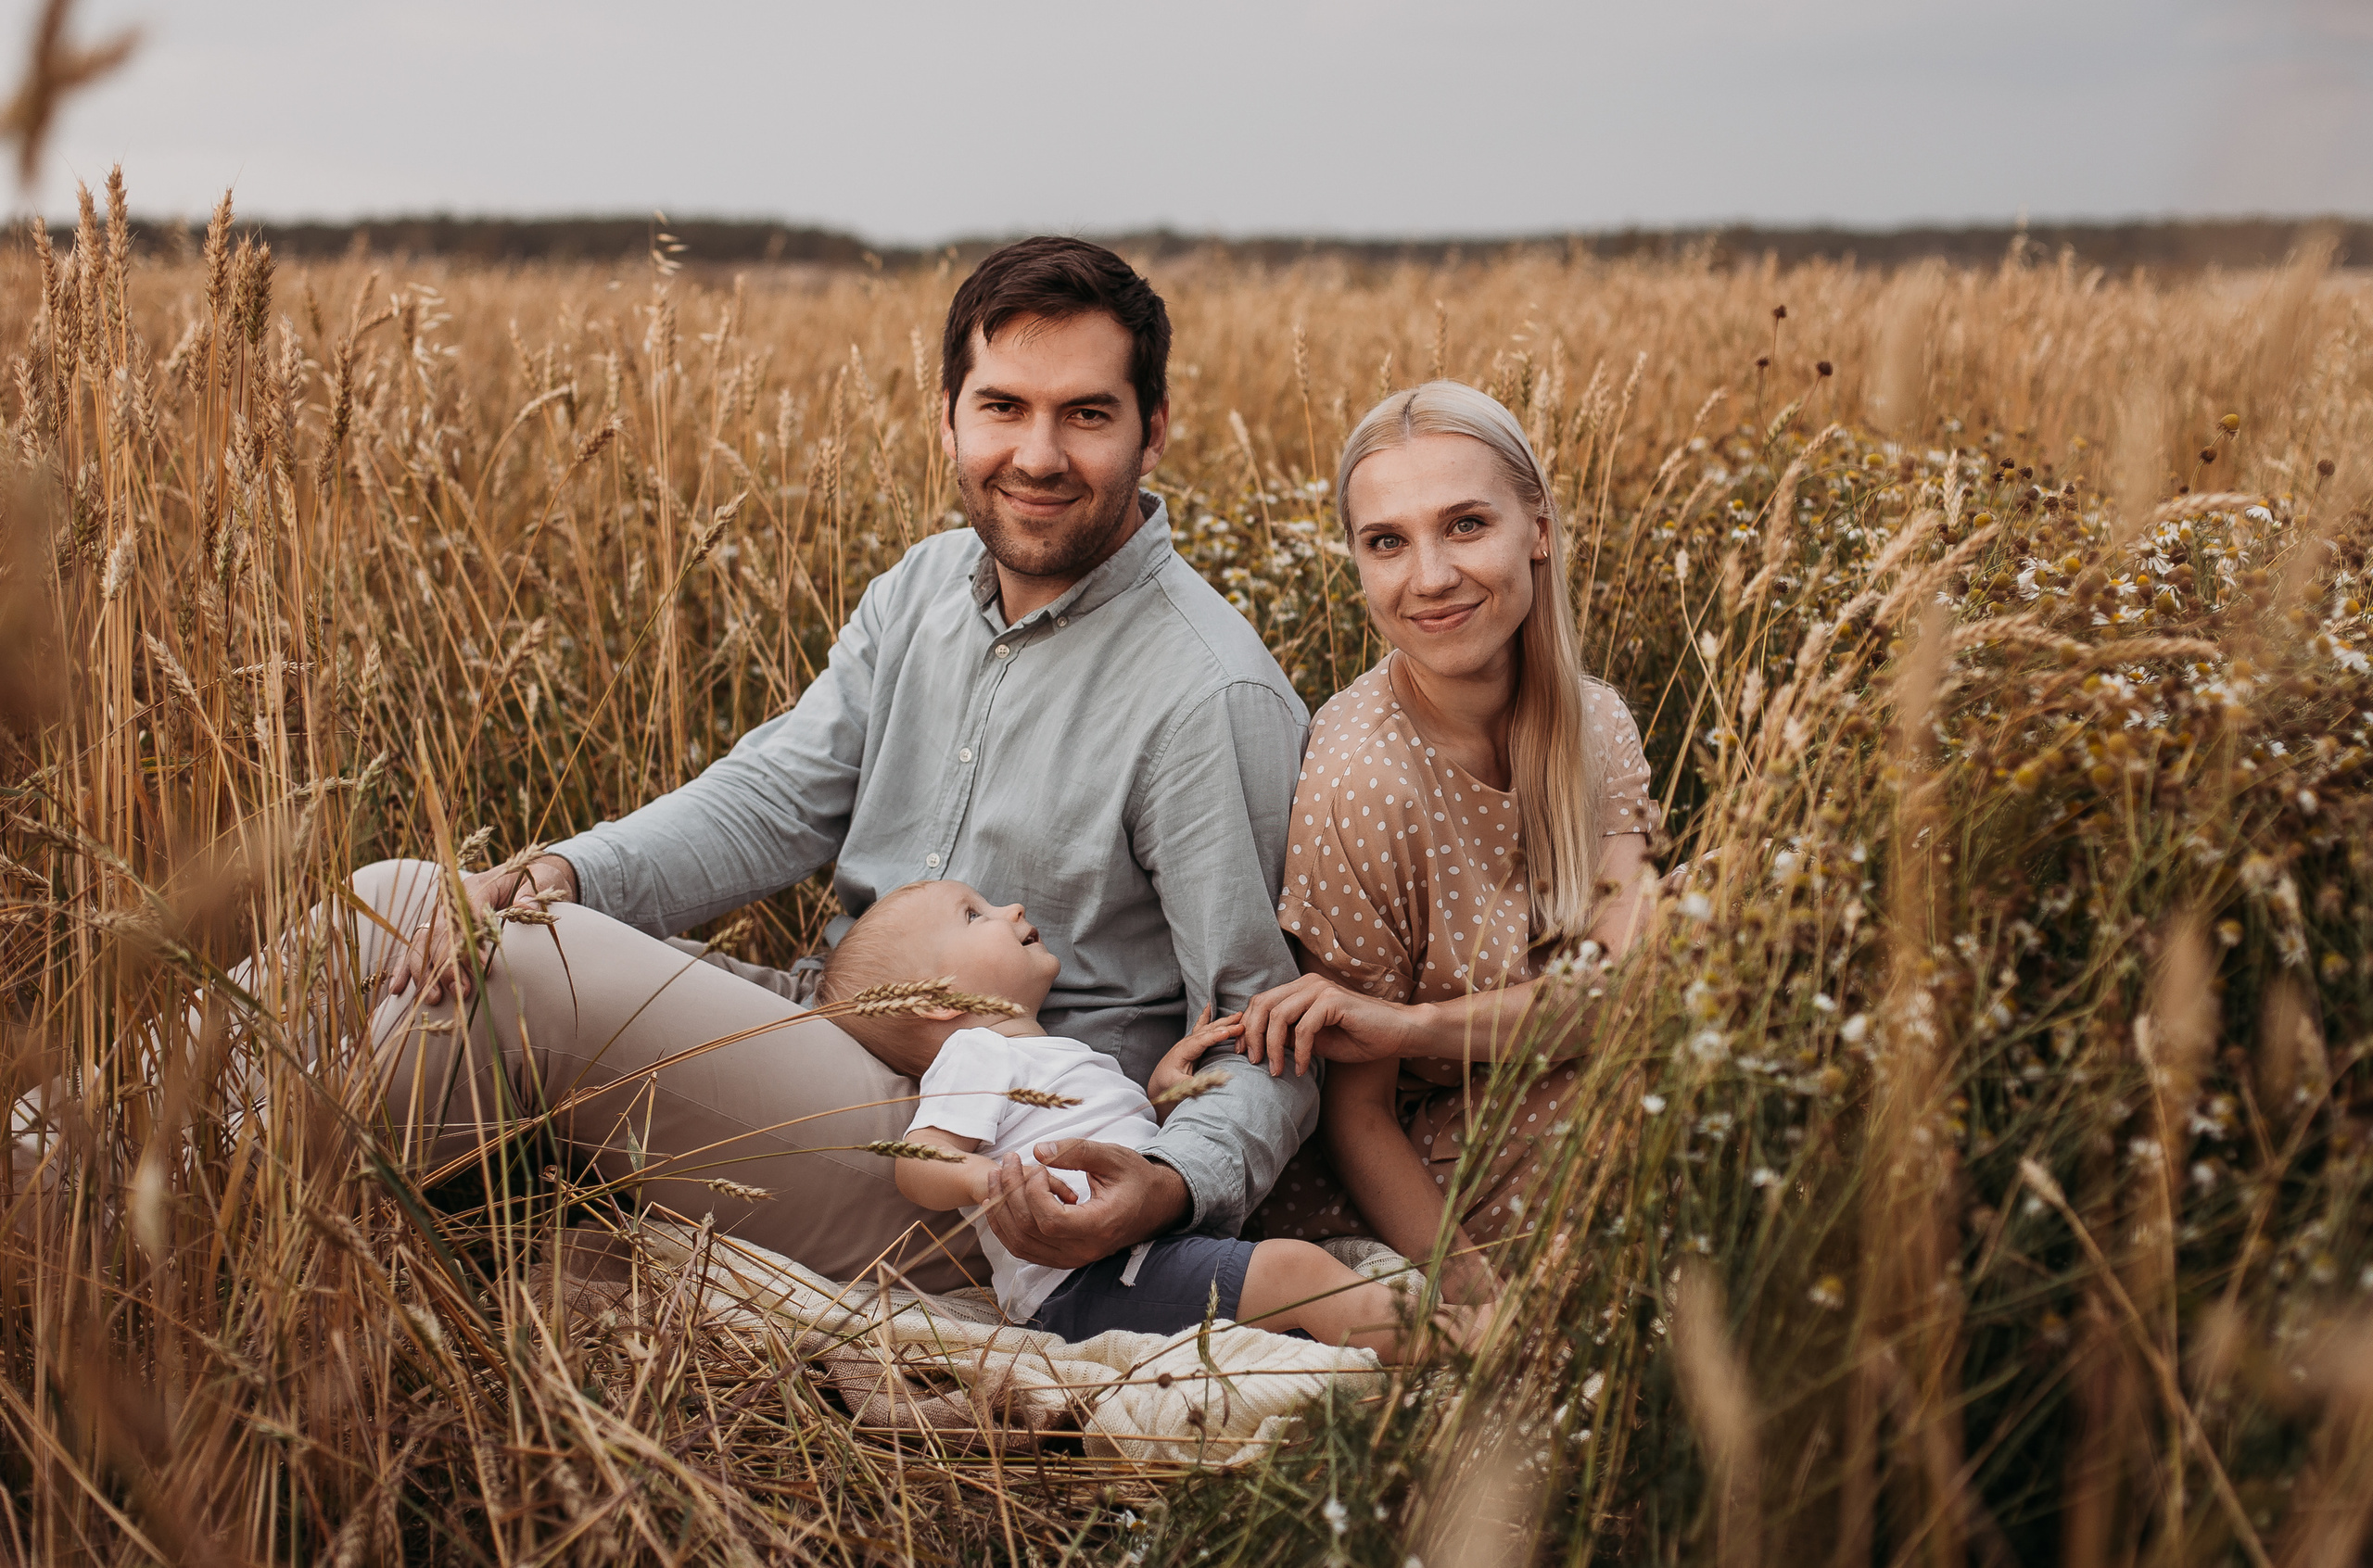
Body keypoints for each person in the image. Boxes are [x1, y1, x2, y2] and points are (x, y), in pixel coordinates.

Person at [363, 237, 1314, 1293]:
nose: (1038, 455)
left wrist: (1167, 1181)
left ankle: (233, 1210)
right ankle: (170, 1150)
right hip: (824, 1035)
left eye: (1086, 414)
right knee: (397, 901)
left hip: (970, 1170)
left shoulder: (1208, 693)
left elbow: (1264, 1029)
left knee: (519, 972)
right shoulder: (922, 589)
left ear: (1153, 432)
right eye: (1003, 407)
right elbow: (774, 800)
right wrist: (567, 871)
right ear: (949, 415)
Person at [1235, 382, 1658, 1302]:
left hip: (1566, 1089)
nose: (1427, 577)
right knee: (1646, 1100)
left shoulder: (1594, 727)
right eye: (1386, 541)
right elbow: (1355, 1121)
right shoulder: (1365, 779)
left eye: (1464, 525)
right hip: (1407, 1173)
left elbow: (1628, 999)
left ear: (1535, 529)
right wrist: (1480, 1309)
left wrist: (1420, 1023)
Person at [828, 879, 1480, 1359]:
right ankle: (1454, 1343)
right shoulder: (976, 1052)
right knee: (1295, 1270)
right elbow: (918, 1164)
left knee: (1289, 1291)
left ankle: (1394, 1342)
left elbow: (1116, 1141)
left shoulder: (1049, 1051)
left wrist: (1161, 1096)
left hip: (1132, 1252)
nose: (1012, 907)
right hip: (1084, 1280)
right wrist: (984, 1182)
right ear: (940, 1003)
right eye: (975, 915)